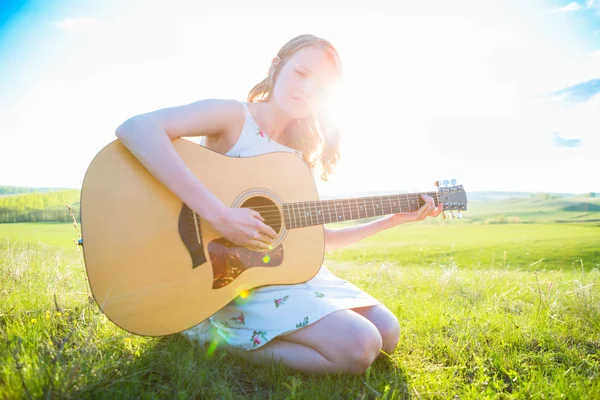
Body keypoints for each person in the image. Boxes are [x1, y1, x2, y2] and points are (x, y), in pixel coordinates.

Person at [115, 34, 443, 375]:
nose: (307, 90)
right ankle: (209, 335)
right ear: (276, 67)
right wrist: (220, 216)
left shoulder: (297, 153)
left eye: (322, 87)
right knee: (360, 346)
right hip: (229, 280)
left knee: (387, 333)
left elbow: (318, 238)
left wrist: (391, 220)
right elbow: (137, 128)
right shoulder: (232, 117)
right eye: (302, 73)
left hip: (282, 273)